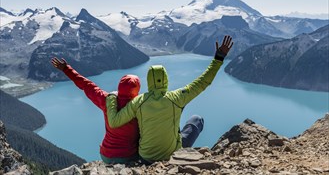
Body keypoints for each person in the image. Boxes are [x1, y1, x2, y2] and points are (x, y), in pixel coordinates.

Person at [106, 35, 233, 163]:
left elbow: (114, 122)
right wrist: (218, 58)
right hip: (172, 154)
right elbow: (203, 82)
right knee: (197, 119)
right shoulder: (176, 97)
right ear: (166, 79)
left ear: (149, 80)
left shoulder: (138, 102)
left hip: (146, 157)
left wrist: (111, 97)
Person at [51, 57, 141, 164]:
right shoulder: (140, 105)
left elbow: (87, 85)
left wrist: (67, 69)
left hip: (106, 155)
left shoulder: (107, 100)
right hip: (128, 155)